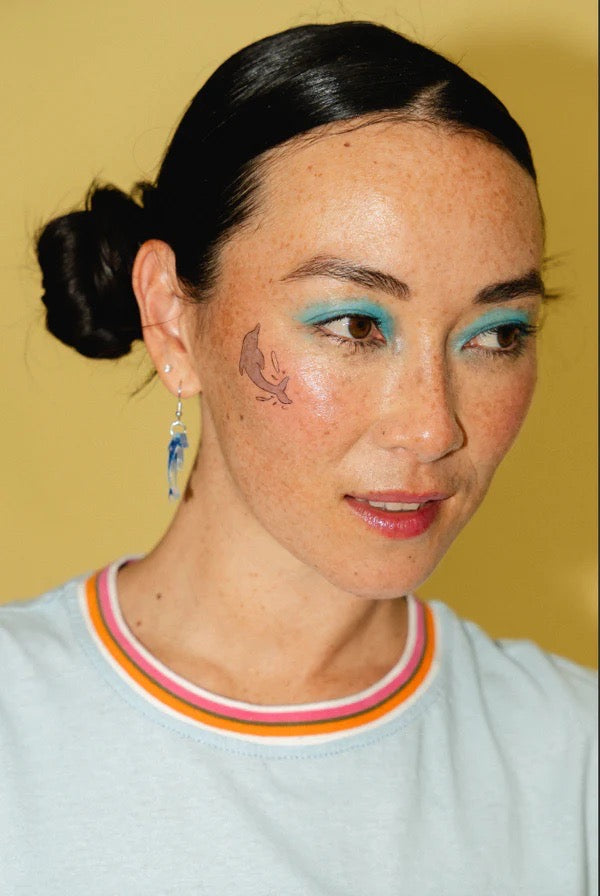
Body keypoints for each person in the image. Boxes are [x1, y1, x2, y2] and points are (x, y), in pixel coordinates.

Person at [0, 20, 596, 896]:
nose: (433, 429)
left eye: (497, 333)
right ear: (171, 317)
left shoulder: (573, 760)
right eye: (354, 324)